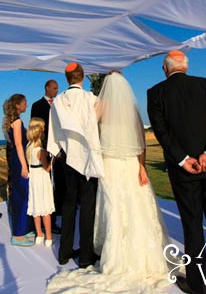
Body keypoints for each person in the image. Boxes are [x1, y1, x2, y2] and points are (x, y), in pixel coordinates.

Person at [47, 71, 170, 293]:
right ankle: (139, 253)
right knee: (135, 206)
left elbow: (89, 134)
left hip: (110, 165)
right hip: (130, 163)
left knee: (114, 208)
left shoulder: (99, 108)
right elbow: (140, 141)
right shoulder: (131, 110)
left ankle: (114, 255)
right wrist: (142, 166)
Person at [146, 50, 206, 294]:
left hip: (183, 172)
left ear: (165, 68)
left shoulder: (155, 93)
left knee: (192, 226)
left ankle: (199, 285)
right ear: (186, 65)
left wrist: (183, 159)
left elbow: (161, 132)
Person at [47, 62, 103, 268]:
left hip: (67, 158)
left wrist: (53, 151)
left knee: (69, 205)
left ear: (66, 78)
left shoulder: (58, 101)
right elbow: (99, 123)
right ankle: (86, 256)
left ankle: (64, 253)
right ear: (82, 77)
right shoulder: (91, 98)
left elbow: (54, 130)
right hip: (88, 157)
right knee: (87, 207)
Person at [30, 79, 64, 235]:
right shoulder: (37, 106)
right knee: (48, 185)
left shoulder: (60, 104)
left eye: (58, 88)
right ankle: (50, 219)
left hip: (61, 148)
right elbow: (35, 128)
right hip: (44, 149)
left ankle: (60, 210)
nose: (57, 90)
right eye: (54, 88)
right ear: (47, 88)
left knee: (61, 181)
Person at [3, 94, 35, 246]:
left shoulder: (13, 121)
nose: (26, 105)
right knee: (22, 195)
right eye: (24, 103)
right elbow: (18, 144)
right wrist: (24, 165)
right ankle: (18, 234)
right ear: (17, 105)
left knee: (22, 194)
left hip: (18, 158)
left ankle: (25, 228)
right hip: (19, 159)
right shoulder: (17, 122)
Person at [26, 117, 55, 247]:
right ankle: (48, 236)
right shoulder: (40, 151)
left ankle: (39, 234)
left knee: (36, 207)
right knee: (45, 209)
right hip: (42, 179)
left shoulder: (28, 147)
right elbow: (47, 168)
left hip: (33, 178)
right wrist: (53, 160)